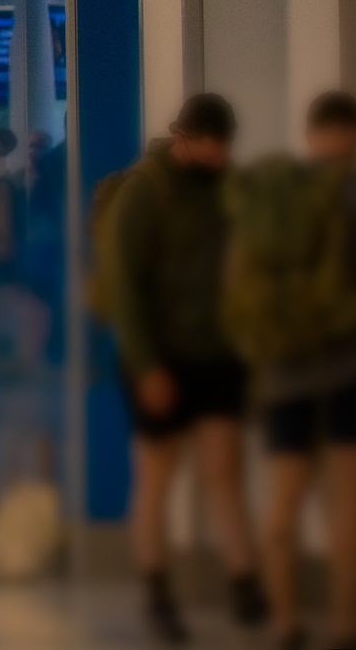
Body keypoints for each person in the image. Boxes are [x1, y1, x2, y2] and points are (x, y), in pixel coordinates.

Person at [102, 92, 264, 642]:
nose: (219, 159)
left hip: (217, 354)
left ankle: (245, 584)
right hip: (159, 356)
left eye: (225, 150)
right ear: (183, 138)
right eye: (210, 149)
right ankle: (156, 592)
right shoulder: (146, 192)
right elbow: (126, 287)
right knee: (157, 477)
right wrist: (147, 367)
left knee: (225, 472)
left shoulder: (227, 185)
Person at [247, 92, 356, 650]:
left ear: (312, 134)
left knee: (282, 503)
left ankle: (285, 624)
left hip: (284, 369)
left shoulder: (274, 196)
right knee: (346, 503)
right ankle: (343, 625)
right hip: (346, 368)